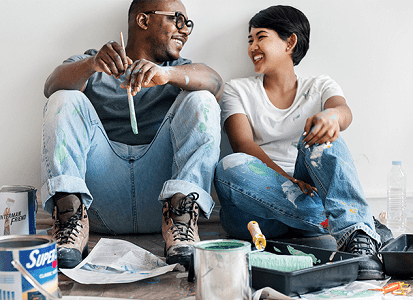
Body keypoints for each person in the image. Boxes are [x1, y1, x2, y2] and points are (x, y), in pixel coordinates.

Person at [41, 0, 222, 269]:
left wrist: (167, 74)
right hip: (99, 203)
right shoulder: (93, 63)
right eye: (177, 20)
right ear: (143, 20)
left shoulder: (180, 69)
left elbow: (215, 82)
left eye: (188, 24)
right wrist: (92, 64)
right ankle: (69, 222)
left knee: (202, 99)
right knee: (64, 98)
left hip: (161, 206)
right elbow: (51, 86)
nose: (185, 30)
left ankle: (183, 226)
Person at [214, 5, 384, 280]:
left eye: (261, 37)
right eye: (250, 40)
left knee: (323, 136)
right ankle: (356, 226)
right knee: (229, 166)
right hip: (255, 213)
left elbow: (344, 112)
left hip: (309, 190)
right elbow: (242, 143)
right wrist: (288, 181)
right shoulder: (238, 89)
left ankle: (355, 231)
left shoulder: (319, 85)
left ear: (290, 42)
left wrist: (331, 117)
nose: (253, 47)